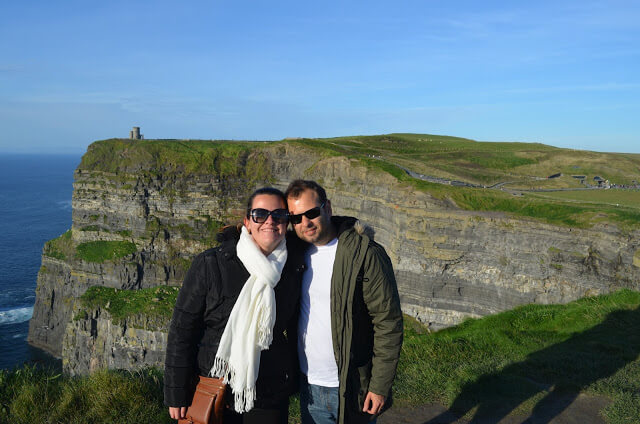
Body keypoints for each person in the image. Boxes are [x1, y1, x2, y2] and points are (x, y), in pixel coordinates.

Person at [164, 187, 305, 424]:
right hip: (214, 388)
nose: (270, 221)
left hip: (269, 394)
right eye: (260, 214)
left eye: (279, 216)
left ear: (287, 223)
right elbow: (182, 331)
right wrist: (176, 393)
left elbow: (322, 229)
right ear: (247, 222)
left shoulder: (293, 268)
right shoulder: (211, 263)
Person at [285, 180, 403, 424]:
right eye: (296, 218)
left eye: (312, 213)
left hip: (352, 387)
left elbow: (387, 322)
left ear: (327, 208)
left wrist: (379, 385)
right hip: (309, 385)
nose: (305, 223)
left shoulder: (365, 253)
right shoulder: (293, 253)